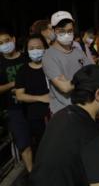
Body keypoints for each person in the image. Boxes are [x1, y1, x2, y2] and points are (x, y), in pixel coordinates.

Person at [42, 11, 92, 114]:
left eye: (69, 31)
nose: (66, 34)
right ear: (54, 30)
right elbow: (65, 88)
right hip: (63, 112)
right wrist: (84, 78)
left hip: (85, 108)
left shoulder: (79, 52)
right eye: (61, 31)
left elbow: (93, 75)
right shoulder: (49, 56)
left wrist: (71, 81)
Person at [14, 34, 50, 172]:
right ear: (27, 50)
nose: (35, 50)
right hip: (35, 117)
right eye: (32, 48)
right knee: (43, 149)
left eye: (39, 47)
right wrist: (41, 98)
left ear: (45, 48)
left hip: (56, 114)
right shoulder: (23, 71)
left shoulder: (51, 66)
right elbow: (20, 95)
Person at [0, 27, 30, 170]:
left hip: (33, 104)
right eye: (0, 43)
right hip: (14, 108)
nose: (4, 45)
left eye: (6, 41)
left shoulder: (26, 58)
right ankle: (32, 174)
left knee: (41, 140)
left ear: (13, 39)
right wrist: (15, 83)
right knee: (24, 144)